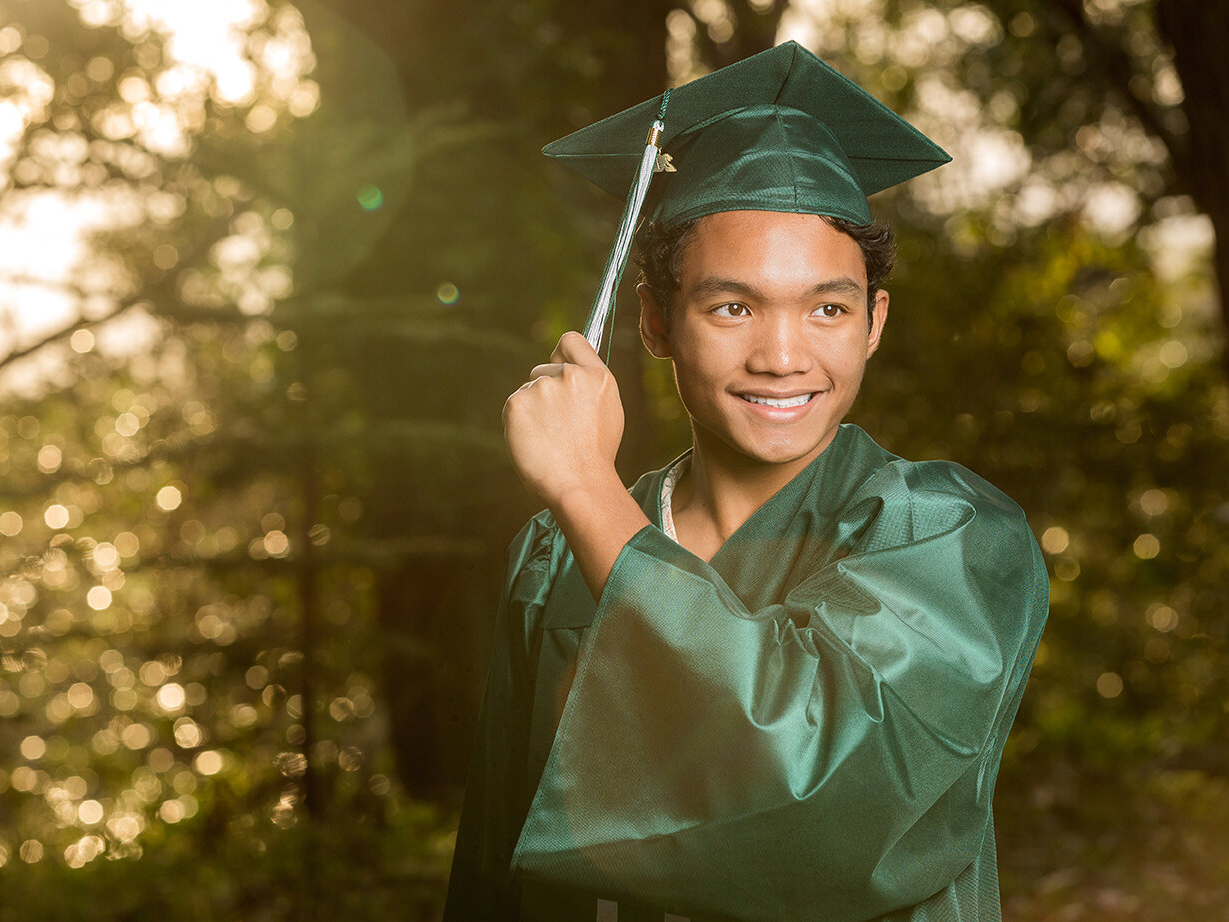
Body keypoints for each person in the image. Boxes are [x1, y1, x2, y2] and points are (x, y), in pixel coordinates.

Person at [444, 41, 1048, 922]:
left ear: (874, 322)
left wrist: (587, 491)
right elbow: (502, 869)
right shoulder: (550, 562)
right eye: (733, 305)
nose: (783, 355)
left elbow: (825, 799)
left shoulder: (946, 538)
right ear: (654, 320)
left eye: (828, 307)